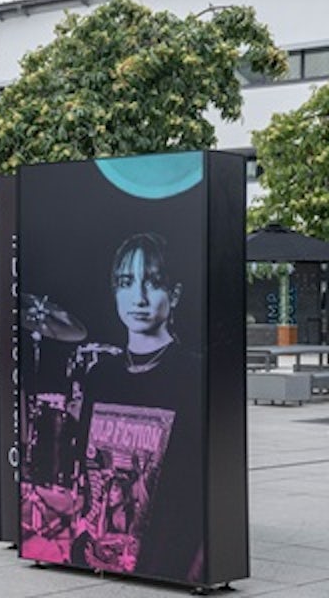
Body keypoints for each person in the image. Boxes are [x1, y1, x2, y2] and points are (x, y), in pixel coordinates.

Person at [67, 233, 203, 583]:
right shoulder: (101, 375)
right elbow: (88, 474)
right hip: (98, 557)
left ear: (174, 295)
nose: (139, 297)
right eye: (126, 282)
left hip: (165, 565)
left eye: (153, 283)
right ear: (115, 291)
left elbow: (203, 484)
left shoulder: (194, 373)